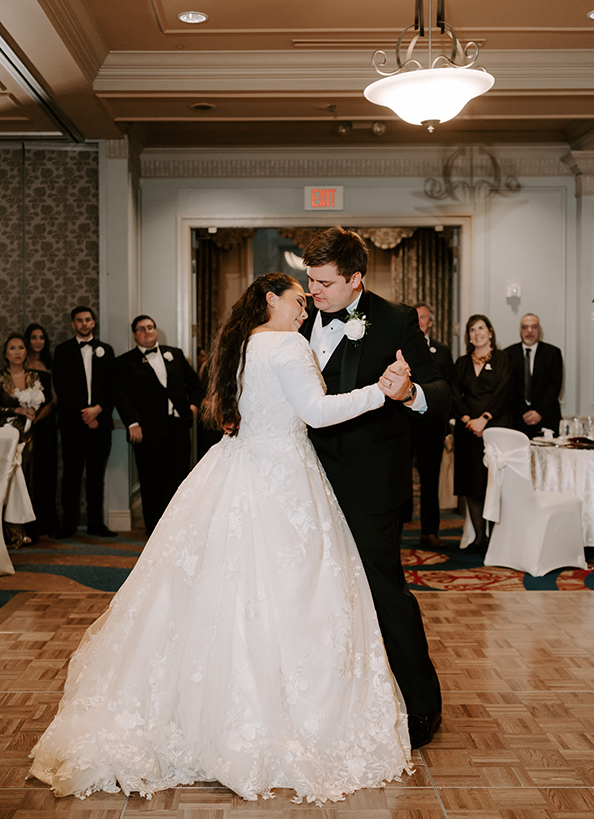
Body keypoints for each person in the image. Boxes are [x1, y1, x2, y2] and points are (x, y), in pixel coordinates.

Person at [29, 273, 412, 803]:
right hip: (283, 479)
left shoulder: (244, 344)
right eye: (298, 300)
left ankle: (204, 719)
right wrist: (380, 393)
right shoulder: (288, 345)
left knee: (218, 592)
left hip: (237, 469)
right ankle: (272, 722)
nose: (305, 309)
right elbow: (317, 414)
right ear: (270, 299)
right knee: (289, 592)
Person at [301, 226, 450, 749]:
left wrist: (409, 392)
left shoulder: (393, 320)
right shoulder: (295, 317)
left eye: (323, 282)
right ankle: (324, 700)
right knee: (308, 591)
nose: (312, 291)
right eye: (309, 279)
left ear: (356, 279)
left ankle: (423, 703)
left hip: (369, 484)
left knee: (383, 589)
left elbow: (440, 389)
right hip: (303, 479)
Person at [114, 316, 202, 535]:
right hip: (146, 431)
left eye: (150, 327)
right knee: (151, 481)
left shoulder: (176, 354)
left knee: (178, 477)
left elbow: (195, 384)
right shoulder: (125, 362)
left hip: (178, 426)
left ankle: (177, 528)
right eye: (141, 329)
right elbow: (122, 396)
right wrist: (133, 423)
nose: (147, 332)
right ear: (135, 334)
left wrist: (193, 406)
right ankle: (154, 531)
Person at [52, 306, 116, 538]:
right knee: (71, 475)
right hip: (73, 423)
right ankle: (68, 524)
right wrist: (84, 413)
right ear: (73, 324)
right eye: (79, 320)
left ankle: (96, 523)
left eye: (87, 320)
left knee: (96, 476)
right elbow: (62, 385)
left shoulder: (106, 350)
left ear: (94, 322)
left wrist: (97, 410)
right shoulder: (62, 350)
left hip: (100, 423)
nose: (84, 324)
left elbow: (112, 385)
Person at [452, 314, 513, 554]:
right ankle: (479, 539)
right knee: (473, 484)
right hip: (468, 431)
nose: (476, 333)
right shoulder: (462, 362)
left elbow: (505, 391)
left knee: (495, 484)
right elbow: (454, 393)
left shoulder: (503, 359)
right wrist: (468, 420)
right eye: (471, 330)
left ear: (490, 331)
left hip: (496, 428)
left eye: (480, 328)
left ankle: (498, 540)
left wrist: (484, 419)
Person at [402, 303, 454, 549]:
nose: (419, 321)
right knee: (400, 479)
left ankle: (430, 532)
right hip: (403, 425)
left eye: (422, 317)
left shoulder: (442, 351)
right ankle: (399, 527)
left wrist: (446, 427)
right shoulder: (399, 348)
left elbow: (447, 390)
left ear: (430, 322)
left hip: (431, 426)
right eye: (416, 317)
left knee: (429, 480)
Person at [0, 333, 54, 546]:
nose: (17, 352)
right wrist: (15, 409)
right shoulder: (1, 377)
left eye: (21, 348)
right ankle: (6, 534)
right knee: (7, 480)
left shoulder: (35, 376)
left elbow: (50, 402)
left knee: (30, 480)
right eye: (12, 348)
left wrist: (35, 414)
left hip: (31, 434)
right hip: (6, 436)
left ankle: (27, 530)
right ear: (5, 353)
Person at [24, 323, 58, 536]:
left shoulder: (50, 365)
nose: (38, 341)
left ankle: (47, 522)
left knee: (47, 472)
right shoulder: (19, 365)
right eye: (34, 337)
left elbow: (55, 399)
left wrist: (38, 417)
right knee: (27, 474)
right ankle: (26, 525)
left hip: (45, 425)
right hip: (22, 426)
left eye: (41, 337)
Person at [506, 313, 563, 438]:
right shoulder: (507, 354)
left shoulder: (553, 353)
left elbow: (555, 386)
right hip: (517, 420)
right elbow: (507, 388)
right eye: (525, 327)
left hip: (547, 418)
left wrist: (539, 412)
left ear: (540, 330)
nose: (529, 331)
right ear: (520, 330)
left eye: (534, 327)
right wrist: (523, 413)